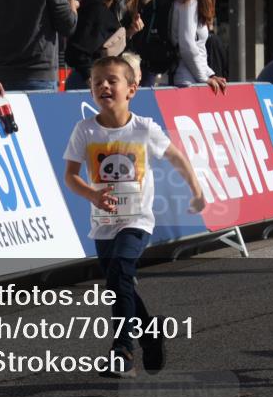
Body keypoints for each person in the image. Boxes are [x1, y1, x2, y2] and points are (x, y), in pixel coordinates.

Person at [63, 56, 207, 378]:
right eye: (97, 80)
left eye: (112, 80)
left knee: (119, 274)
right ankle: (150, 332)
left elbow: (177, 157)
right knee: (118, 283)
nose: (103, 86)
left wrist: (197, 191)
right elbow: (70, 176)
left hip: (136, 220)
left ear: (132, 88)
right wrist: (92, 194)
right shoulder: (84, 130)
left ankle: (122, 351)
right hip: (102, 223)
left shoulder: (143, 129)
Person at [65, 0, 144, 91]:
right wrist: (91, 80)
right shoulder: (96, 5)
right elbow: (76, 51)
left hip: (99, 81)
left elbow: (108, 47)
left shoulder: (116, 6)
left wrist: (130, 33)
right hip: (86, 84)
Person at [170, 0, 228, 94]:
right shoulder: (190, 4)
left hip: (194, 77)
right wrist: (204, 77)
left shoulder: (193, 4)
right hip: (187, 80)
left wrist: (210, 74)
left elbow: (198, 49)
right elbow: (187, 45)